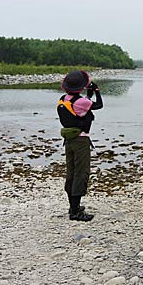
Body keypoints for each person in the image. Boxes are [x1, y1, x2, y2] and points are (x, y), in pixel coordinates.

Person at [57, 70, 103, 222]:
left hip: (69, 141)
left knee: (71, 173)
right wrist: (96, 91)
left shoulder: (64, 99)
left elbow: (82, 106)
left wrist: (88, 95)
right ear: (81, 87)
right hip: (81, 141)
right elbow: (98, 105)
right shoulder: (81, 102)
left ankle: (73, 207)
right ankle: (76, 212)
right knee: (81, 173)